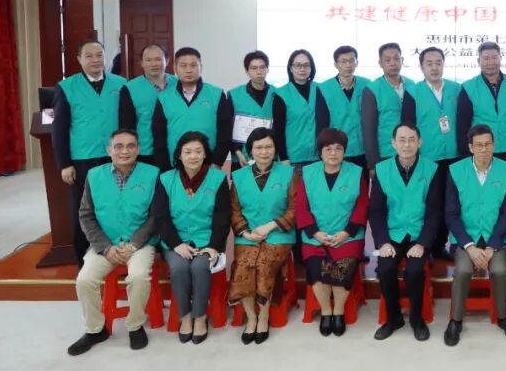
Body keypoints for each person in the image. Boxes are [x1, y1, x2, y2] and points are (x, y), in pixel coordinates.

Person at [68, 129, 159, 356]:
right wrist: (105, 247)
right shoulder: (94, 175)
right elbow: (86, 215)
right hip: (105, 244)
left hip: (140, 244)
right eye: (118, 146)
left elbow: (156, 217)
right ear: (109, 150)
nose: (124, 151)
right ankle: (95, 330)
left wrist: (133, 245)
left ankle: (135, 326)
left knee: (138, 276)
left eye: (130, 146)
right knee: (85, 279)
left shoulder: (153, 174)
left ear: (138, 149)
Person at [443, 124, 506, 346]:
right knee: (463, 270)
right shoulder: (455, 171)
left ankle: (504, 317)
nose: (484, 149)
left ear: (494, 145)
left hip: (495, 239)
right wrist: (469, 246)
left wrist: (492, 246)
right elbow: (451, 214)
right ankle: (455, 320)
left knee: (499, 270)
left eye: (488, 144)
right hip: (465, 240)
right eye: (479, 145)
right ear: (470, 147)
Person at [53, 40, 128, 264]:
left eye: (99, 55)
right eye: (89, 56)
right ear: (79, 59)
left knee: (116, 207)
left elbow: (126, 121)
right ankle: (84, 261)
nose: (95, 60)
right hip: (82, 159)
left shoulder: (121, 84)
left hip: (116, 157)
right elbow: (59, 129)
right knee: (83, 210)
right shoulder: (67, 87)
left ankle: (117, 256)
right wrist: (64, 164)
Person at [153, 131, 230, 344]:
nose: (193, 156)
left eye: (198, 151)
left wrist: (214, 246)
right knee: (179, 268)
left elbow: (223, 216)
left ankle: (200, 317)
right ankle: (185, 317)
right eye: (187, 152)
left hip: (207, 240)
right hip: (175, 241)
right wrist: (176, 244)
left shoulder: (218, 178)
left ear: (205, 154)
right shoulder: (166, 179)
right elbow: (161, 217)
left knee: (199, 267)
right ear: (179, 155)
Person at [369, 123, 442, 342]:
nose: (407, 145)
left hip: (419, 235)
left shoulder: (432, 169)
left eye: (412, 140)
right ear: (393, 143)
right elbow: (376, 211)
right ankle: (393, 318)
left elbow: (434, 213)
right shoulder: (382, 170)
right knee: (385, 269)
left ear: (419, 142)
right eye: (402, 140)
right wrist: (383, 242)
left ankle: (417, 320)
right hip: (392, 235)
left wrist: (423, 243)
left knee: (415, 271)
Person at [295, 128, 370, 337]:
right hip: (315, 237)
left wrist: (347, 232)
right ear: (320, 152)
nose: (334, 153)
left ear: (345, 151)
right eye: (328, 149)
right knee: (316, 270)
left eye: (338, 148)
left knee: (341, 270)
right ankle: (326, 312)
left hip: (348, 236)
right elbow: (301, 207)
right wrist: (315, 233)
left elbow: (362, 206)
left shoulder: (356, 173)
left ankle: (339, 312)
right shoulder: (308, 173)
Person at [228, 128, 296, 345]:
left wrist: (270, 226)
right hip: (247, 236)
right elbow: (233, 210)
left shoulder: (288, 174)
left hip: (279, 235)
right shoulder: (239, 176)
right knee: (243, 265)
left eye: (268, 147)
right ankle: (251, 318)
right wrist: (245, 232)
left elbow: (295, 208)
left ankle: (264, 317)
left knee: (264, 264)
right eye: (258, 148)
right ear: (250, 151)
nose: (264, 152)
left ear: (275, 149)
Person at [412, 46, 462, 259]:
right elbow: (409, 124)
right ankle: (426, 245)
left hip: (454, 156)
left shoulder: (456, 89)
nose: (434, 67)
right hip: (427, 158)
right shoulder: (413, 91)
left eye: (438, 63)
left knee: (450, 203)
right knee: (429, 203)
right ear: (421, 67)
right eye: (429, 63)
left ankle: (441, 244)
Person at [151, 47, 232, 171]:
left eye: (193, 65)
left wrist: (217, 161)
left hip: (209, 163)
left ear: (201, 67)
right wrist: (164, 167)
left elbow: (225, 131)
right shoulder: (164, 97)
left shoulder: (216, 94)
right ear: (175, 68)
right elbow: (159, 136)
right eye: (183, 66)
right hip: (175, 163)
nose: (188, 70)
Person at [456, 41, 506, 164]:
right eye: (486, 58)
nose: (490, 62)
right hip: (481, 150)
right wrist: (466, 153)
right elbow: (462, 124)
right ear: (479, 61)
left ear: (500, 58)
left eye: (494, 57)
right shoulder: (468, 87)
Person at [118, 44, 176, 165]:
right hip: (146, 151)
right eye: (148, 60)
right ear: (142, 63)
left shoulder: (178, 84)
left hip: (177, 148)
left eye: (158, 59)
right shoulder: (130, 88)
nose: (153, 64)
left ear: (167, 60)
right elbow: (127, 125)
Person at [361, 42, 417, 164]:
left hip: (411, 151)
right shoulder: (372, 89)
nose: (393, 63)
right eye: (387, 60)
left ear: (402, 60)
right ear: (380, 63)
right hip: (386, 153)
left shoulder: (412, 85)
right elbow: (368, 130)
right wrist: (372, 163)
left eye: (396, 59)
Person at [273, 49, 329, 168]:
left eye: (306, 65)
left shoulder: (321, 90)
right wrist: (283, 157)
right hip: (293, 158)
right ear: (291, 68)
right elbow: (278, 130)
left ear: (311, 68)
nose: (302, 69)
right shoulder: (281, 94)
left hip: (319, 157)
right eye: (298, 65)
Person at [320, 45, 371, 167]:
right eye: (343, 61)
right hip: (337, 150)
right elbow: (322, 123)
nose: (348, 65)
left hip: (364, 149)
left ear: (357, 62)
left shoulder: (367, 85)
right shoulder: (324, 88)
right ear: (336, 64)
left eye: (351, 60)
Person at [227, 51, 276, 167]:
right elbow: (227, 127)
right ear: (246, 70)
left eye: (262, 67)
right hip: (242, 157)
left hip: (269, 155)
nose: (259, 72)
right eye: (254, 68)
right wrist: (237, 152)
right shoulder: (234, 94)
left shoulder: (277, 94)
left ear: (267, 69)